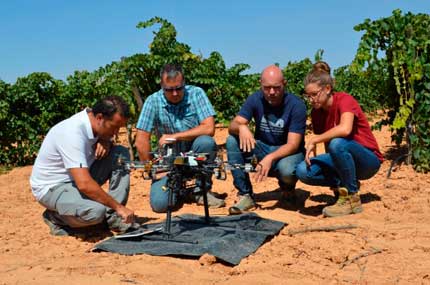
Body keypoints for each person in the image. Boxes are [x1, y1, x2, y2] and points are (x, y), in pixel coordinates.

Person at [30, 96, 137, 236]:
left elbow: (107, 136)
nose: (117, 133)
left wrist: (106, 140)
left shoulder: (96, 125)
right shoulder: (72, 132)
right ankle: (55, 217)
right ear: (99, 118)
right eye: (114, 127)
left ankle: (113, 217)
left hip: (79, 176)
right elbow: (84, 184)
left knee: (120, 154)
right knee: (95, 212)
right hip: (53, 187)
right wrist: (118, 207)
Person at [296, 61, 383, 217]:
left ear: (327, 89)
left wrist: (314, 140)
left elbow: (345, 129)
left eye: (314, 94)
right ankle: (343, 188)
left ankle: (351, 198)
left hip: (368, 161)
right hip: (342, 157)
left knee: (338, 143)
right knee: (303, 170)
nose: (311, 100)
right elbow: (328, 144)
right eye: (307, 96)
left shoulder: (345, 100)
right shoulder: (316, 113)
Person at [134, 63, 225, 213]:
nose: (175, 93)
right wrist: (152, 169)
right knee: (160, 205)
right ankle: (179, 188)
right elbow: (141, 139)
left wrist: (175, 136)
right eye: (169, 90)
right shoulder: (152, 101)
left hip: (194, 155)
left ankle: (201, 190)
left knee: (206, 142)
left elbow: (209, 128)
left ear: (184, 83)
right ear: (161, 86)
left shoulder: (197, 94)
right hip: (168, 162)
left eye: (179, 88)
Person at [226, 65, 307, 215]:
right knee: (232, 140)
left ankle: (288, 188)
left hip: (288, 151)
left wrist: (270, 158)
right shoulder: (255, 99)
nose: (271, 92)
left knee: (287, 170)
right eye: (267, 87)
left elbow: (293, 144)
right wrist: (242, 127)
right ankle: (245, 194)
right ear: (260, 84)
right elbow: (233, 125)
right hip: (262, 147)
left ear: (284, 84)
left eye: (276, 87)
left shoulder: (296, 105)